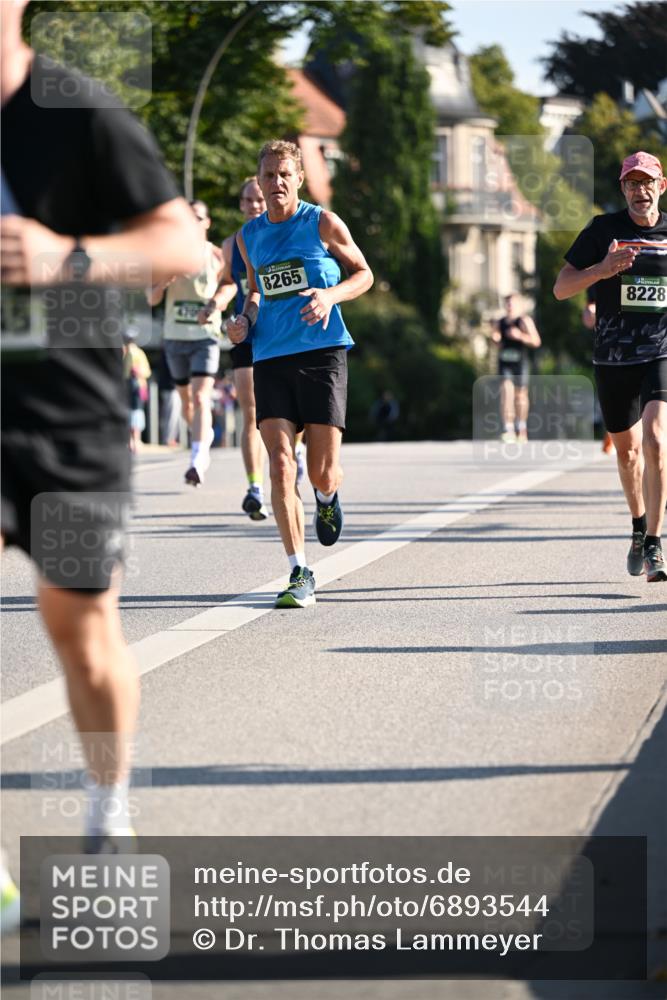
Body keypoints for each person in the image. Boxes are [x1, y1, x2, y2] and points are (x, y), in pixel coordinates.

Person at [1, 0, 203, 872]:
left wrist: (65, 259)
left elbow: (182, 247)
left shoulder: (74, 110)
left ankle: (108, 805)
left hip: (66, 413)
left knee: (80, 628)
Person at [227, 140, 373, 607]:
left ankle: (327, 498)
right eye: (268, 175)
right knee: (281, 464)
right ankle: (298, 571)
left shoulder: (322, 222)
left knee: (321, 471)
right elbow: (255, 292)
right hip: (270, 356)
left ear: (299, 178)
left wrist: (331, 296)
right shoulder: (249, 236)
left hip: (323, 353)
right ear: (260, 180)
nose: (276, 184)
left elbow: (364, 274)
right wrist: (243, 322)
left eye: (284, 174)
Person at [554, 150, 667, 582]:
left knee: (656, 439)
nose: (640, 191)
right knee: (629, 454)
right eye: (632, 184)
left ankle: (655, 543)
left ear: (662, 185)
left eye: (647, 182)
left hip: (661, 351)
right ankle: (638, 525)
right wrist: (602, 269)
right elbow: (561, 288)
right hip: (614, 357)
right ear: (623, 189)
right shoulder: (604, 230)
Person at [147, 200, 226, 486]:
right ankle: (202, 437)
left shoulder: (217, 256)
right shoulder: (169, 254)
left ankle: (198, 459)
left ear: (207, 223)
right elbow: (150, 298)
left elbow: (228, 289)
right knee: (187, 402)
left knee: (201, 396)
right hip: (175, 337)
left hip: (205, 337)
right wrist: (165, 281)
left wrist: (215, 307)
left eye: (198, 218)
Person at [215, 177, 270, 518]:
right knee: (251, 414)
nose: (254, 206)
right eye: (248, 200)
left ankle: (292, 454)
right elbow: (226, 285)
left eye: (259, 200)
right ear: (241, 204)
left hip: (282, 333)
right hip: (245, 332)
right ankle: (255, 488)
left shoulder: (283, 234)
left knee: (286, 417)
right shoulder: (231, 244)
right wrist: (215, 308)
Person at [491, 293, 541, 443]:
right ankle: (508, 428)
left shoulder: (524, 321)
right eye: (507, 303)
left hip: (520, 363)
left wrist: (520, 336)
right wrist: (495, 339)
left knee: (520, 396)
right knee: (506, 392)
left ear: (518, 305)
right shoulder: (499, 322)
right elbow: (496, 338)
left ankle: (521, 427)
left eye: (512, 303)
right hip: (505, 362)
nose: (509, 306)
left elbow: (536, 341)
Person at [581, 290, 614, 454]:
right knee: (612, 395)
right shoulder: (597, 273)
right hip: (608, 349)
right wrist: (590, 312)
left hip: (650, 344)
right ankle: (611, 435)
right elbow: (587, 319)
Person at [123, 332, 151, 454]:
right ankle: (134, 441)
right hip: (134, 386)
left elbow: (144, 371)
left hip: (134, 386)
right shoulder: (136, 352)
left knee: (134, 412)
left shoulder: (133, 353)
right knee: (135, 412)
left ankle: (134, 441)